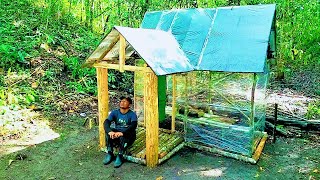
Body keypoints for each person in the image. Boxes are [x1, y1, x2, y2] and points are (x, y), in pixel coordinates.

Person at [103, 96, 137, 168]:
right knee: (108, 131)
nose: (122, 102)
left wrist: (122, 133)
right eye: (121, 101)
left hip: (128, 136)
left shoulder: (132, 114)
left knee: (128, 133)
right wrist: (110, 132)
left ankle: (120, 155)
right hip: (117, 135)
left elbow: (133, 126)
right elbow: (106, 122)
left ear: (129, 105)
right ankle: (110, 153)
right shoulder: (115, 112)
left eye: (124, 101)